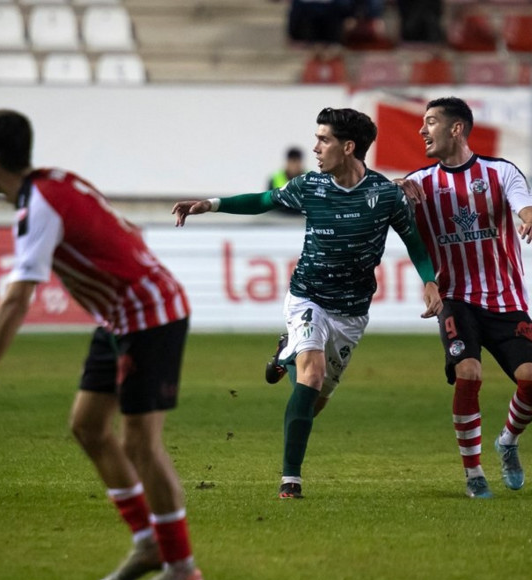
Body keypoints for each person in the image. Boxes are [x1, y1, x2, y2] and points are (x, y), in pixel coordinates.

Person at [0, 110, 205, 580]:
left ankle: (183, 569)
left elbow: (17, 298)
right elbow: (124, 226)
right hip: (118, 318)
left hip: (149, 316)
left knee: (139, 444)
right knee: (87, 425)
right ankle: (148, 543)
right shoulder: (58, 180)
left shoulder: (36, 205)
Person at [173, 107, 442, 499]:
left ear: (348, 147)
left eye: (324, 139)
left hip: (351, 312)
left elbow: (415, 243)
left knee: (316, 397)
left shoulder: (385, 196)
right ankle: (290, 479)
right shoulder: (310, 186)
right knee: (311, 375)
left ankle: (287, 353)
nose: (315, 147)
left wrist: (429, 282)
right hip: (307, 297)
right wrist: (211, 204)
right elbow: (263, 199)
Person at [396, 97, 532, 499]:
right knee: (469, 373)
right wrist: (393, 190)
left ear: (456, 128)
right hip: (455, 299)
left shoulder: (500, 173)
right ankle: (474, 473)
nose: (422, 131)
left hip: (505, 298)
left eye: (430, 123)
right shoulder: (419, 184)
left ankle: (508, 442)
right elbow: (384, 208)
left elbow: (527, 208)